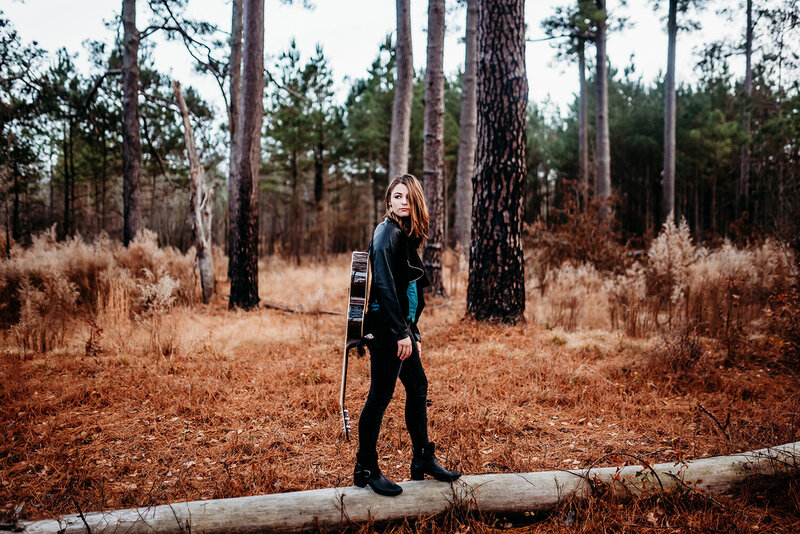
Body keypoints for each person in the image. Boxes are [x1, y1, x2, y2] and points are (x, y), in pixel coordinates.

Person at [354, 174, 461, 497]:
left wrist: (412, 330)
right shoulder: (387, 233)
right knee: (380, 396)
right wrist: (401, 331)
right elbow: (384, 287)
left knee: (418, 387)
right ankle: (366, 467)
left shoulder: (402, 234)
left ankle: (423, 459)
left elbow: (408, 290)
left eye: (408, 198)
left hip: (400, 328)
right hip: (386, 328)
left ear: (415, 203)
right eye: (397, 196)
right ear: (389, 200)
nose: (402, 201)